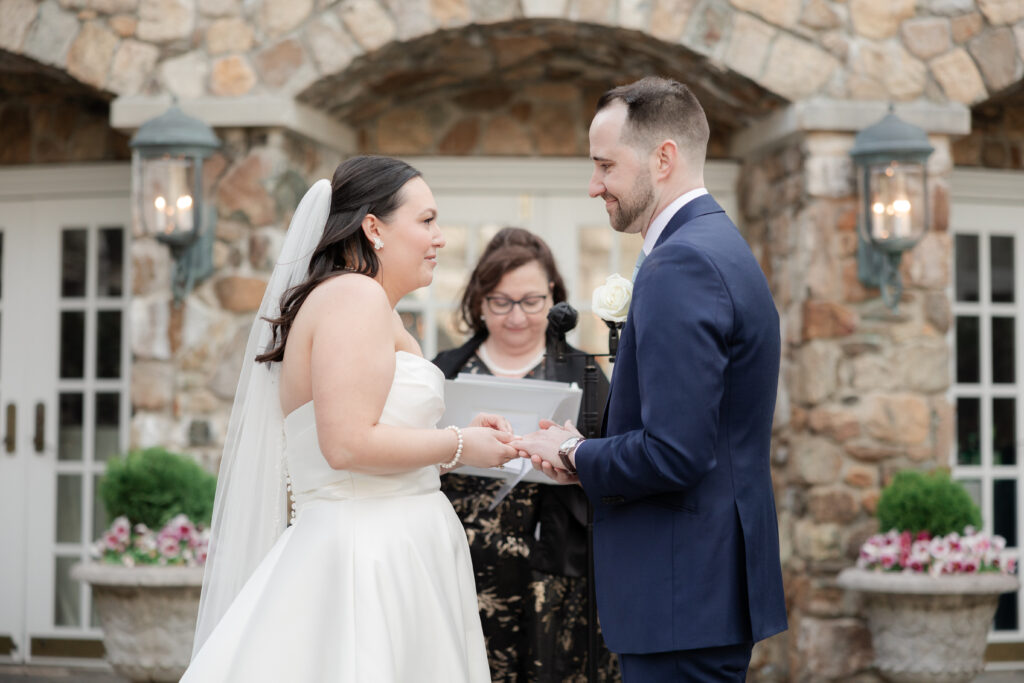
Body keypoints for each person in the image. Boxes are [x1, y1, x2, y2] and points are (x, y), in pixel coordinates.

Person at [182, 156, 519, 682]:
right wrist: (458, 443)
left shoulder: (373, 306)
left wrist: (460, 441)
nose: (440, 238)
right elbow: (345, 446)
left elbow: (369, 439)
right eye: (426, 220)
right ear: (374, 228)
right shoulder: (353, 295)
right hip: (367, 557)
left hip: (398, 543)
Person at [517, 77, 787, 681]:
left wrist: (573, 450)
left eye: (605, 166)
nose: (594, 186)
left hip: (680, 595)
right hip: (700, 591)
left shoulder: (682, 262)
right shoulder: (719, 245)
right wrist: (583, 457)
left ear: (663, 157)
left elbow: (674, 453)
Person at [433, 228, 617, 682]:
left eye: (531, 301)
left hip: (553, 573)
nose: (516, 316)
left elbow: (613, 466)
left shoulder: (584, 373)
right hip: (460, 566)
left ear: (553, 295)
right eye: (501, 301)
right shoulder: (444, 369)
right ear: (479, 300)